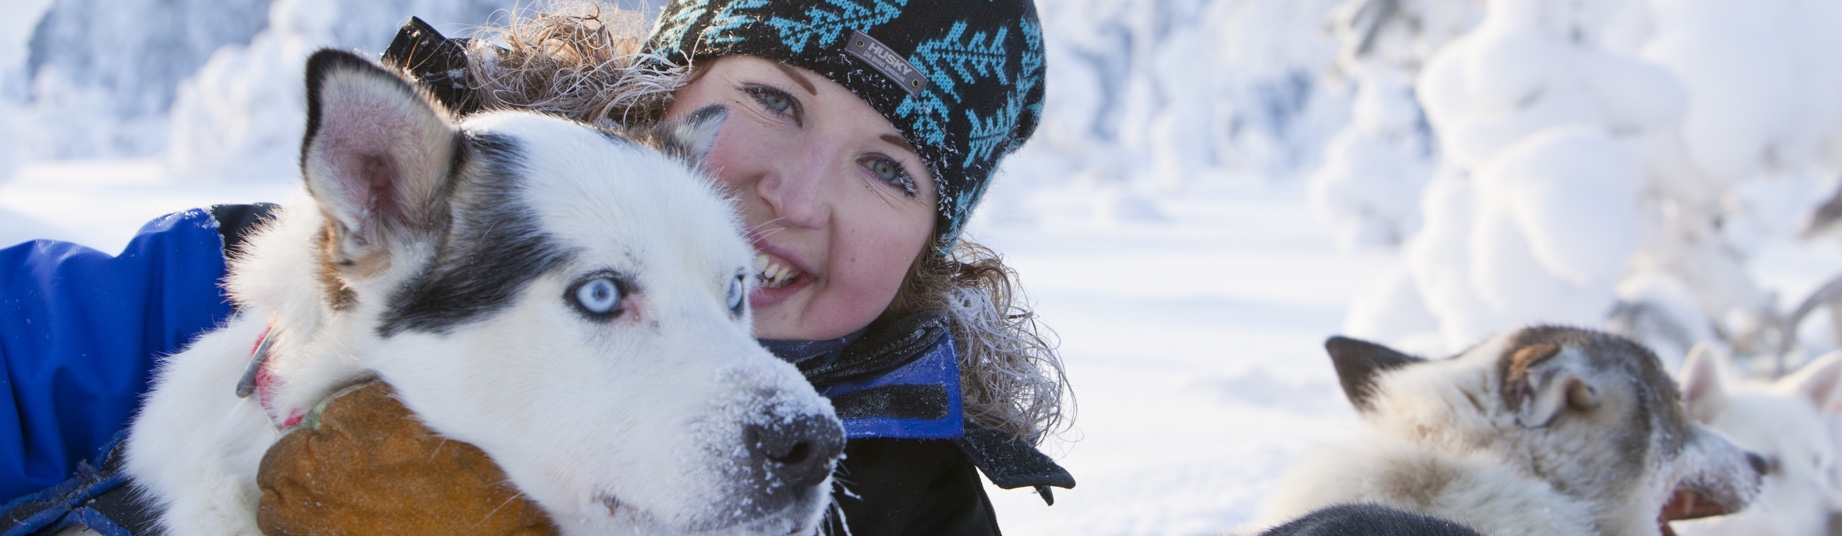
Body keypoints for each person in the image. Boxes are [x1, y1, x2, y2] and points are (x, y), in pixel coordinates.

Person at [1, 1, 1072, 535]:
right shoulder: (277, 272)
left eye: (890, 169)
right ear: (673, 92)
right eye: (775, 101)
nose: (794, 197)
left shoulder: (911, 504)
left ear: (932, 238)